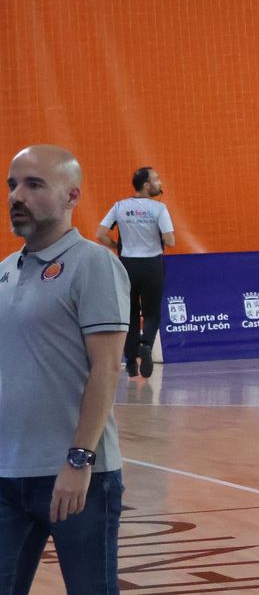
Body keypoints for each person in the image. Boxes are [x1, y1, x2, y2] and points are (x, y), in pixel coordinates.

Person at [2, 145, 130, 595]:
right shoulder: (5, 272)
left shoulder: (94, 265)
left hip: (78, 478)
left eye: (34, 184)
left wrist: (79, 460)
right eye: (12, 184)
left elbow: (107, 368)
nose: (17, 195)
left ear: (72, 196)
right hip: (7, 477)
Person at [95, 166, 175, 379]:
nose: (160, 184)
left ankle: (130, 362)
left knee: (129, 314)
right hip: (152, 265)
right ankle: (146, 344)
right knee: (151, 312)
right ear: (146, 185)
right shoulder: (159, 209)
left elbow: (100, 234)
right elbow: (170, 241)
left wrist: (117, 246)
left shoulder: (120, 206)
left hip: (127, 264)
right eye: (157, 180)